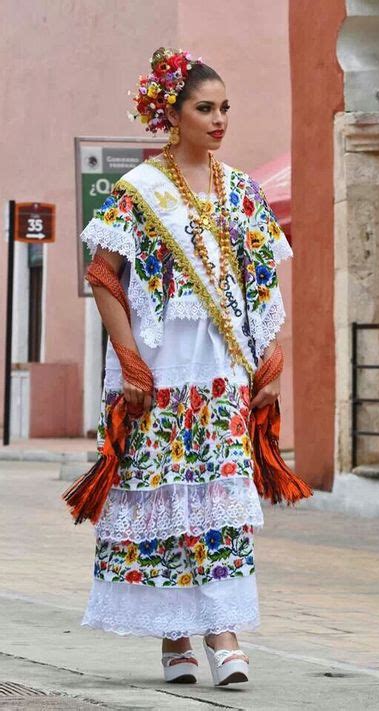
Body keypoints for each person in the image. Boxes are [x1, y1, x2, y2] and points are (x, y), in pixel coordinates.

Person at [79, 47, 293, 687]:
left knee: (219, 498)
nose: (220, 119)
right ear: (173, 115)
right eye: (205, 108)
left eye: (225, 107)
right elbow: (102, 274)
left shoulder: (244, 191)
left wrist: (271, 365)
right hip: (163, 374)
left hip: (222, 371)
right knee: (167, 496)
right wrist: (131, 363)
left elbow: (264, 286)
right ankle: (174, 638)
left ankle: (223, 633)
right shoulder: (140, 192)